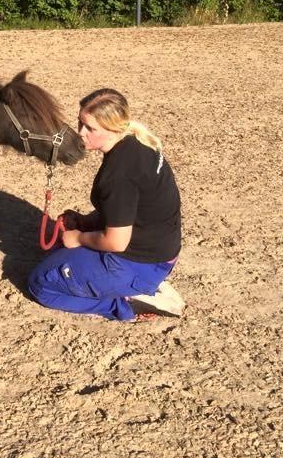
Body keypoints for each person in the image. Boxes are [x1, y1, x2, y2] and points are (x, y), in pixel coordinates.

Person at [28, 88, 185, 322]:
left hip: (137, 263)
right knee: (58, 252)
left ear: (113, 128)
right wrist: (87, 222)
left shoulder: (120, 172)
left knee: (41, 283)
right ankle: (134, 286)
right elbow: (132, 209)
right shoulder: (137, 144)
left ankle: (127, 303)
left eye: (90, 128)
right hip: (157, 254)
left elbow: (116, 241)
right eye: (80, 123)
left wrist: (79, 237)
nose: (80, 133)